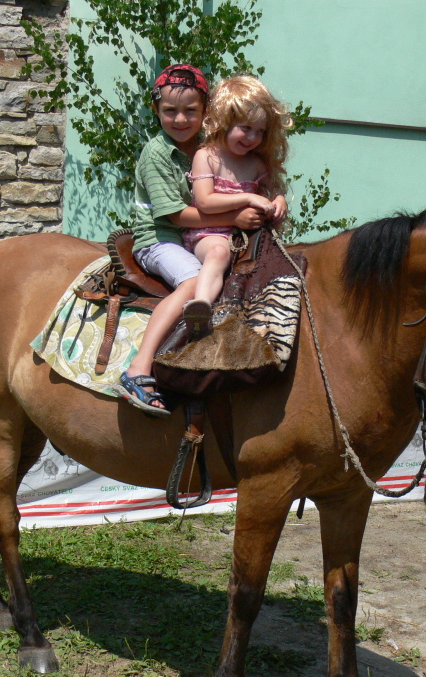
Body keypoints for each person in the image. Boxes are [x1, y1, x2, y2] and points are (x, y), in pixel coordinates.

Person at [120, 65, 266, 417]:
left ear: (206, 112)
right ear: (156, 110)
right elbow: (176, 216)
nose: (181, 119)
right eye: (170, 111)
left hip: (203, 237)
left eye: (191, 110)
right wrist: (236, 217)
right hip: (160, 239)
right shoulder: (157, 154)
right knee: (191, 281)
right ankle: (138, 368)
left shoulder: (209, 148)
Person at [181, 75, 291, 336]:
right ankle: (200, 306)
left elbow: (271, 191)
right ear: (224, 121)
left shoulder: (256, 163)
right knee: (218, 252)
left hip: (245, 239)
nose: (253, 137)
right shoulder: (207, 156)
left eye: (260, 131)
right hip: (208, 235)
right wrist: (247, 198)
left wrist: (279, 201)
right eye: (246, 128)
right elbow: (205, 202)